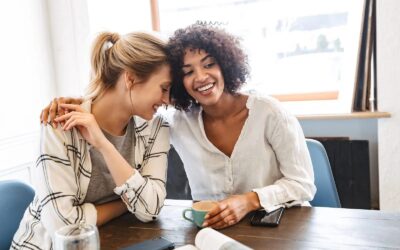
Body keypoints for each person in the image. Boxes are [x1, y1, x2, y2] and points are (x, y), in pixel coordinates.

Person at [40, 24, 316, 230]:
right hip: (209, 234)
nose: (201, 77)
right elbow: (64, 221)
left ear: (227, 64)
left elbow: (303, 184)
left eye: (210, 64)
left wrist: (251, 200)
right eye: (187, 72)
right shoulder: (178, 123)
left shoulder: (270, 113)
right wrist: (83, 105)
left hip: (280, 229)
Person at [12, 31, 171, 249]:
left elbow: (151, 208)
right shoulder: (60, 125)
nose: (167, 100)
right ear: (130, 77)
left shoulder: (156, 128)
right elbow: (63, 227)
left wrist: (103, 145)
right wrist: (126, 203)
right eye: (164, 88)